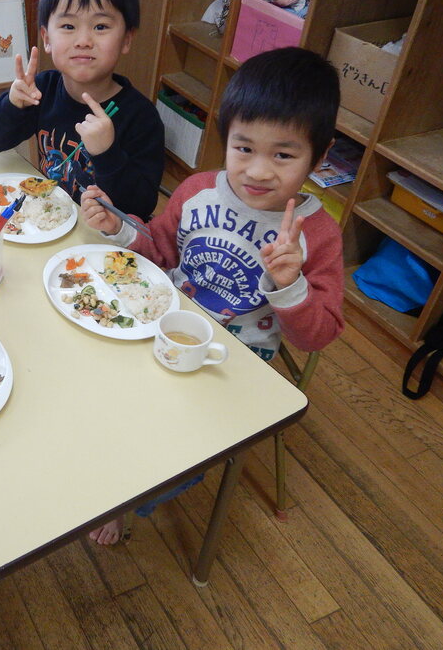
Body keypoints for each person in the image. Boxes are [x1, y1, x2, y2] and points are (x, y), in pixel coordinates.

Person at [81, 47, 345, 544]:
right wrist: (120, 227)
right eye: (244, 148)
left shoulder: (318, 234)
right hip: (165, 322)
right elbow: (158, 248)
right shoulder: (199, 190)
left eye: (283, 155)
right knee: (101, 393)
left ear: (321, 155)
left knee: (184, 452)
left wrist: (291, 286)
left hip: (235, 359)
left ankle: (129, 497)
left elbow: (318, 337)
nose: (258, 171)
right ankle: (109, 487)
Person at [0, 0, 165, 221]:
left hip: (102, 240)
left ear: (127, 39)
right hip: (47, 221)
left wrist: (107, 152)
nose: (84, 41)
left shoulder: (141, 116)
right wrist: (13, 103)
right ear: (47, 38)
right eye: (68, 26)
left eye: (100, 27)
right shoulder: (43, 90)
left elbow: (140, 207)